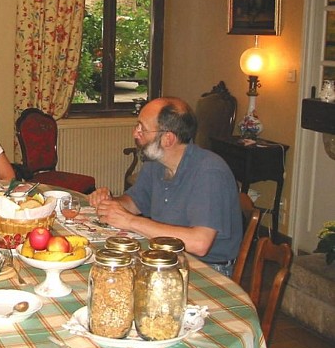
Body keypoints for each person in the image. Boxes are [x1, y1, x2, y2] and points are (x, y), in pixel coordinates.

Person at [88, 97, 242, 277]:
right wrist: (110, 203)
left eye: (142, 129)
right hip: (165, 257)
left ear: (168, 139)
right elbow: (135, 202)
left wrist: (129, 221)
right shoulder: (157, 162)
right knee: (103, 270)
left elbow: (199, 244)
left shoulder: (209, 171)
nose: (135, 133)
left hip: (206, 269)